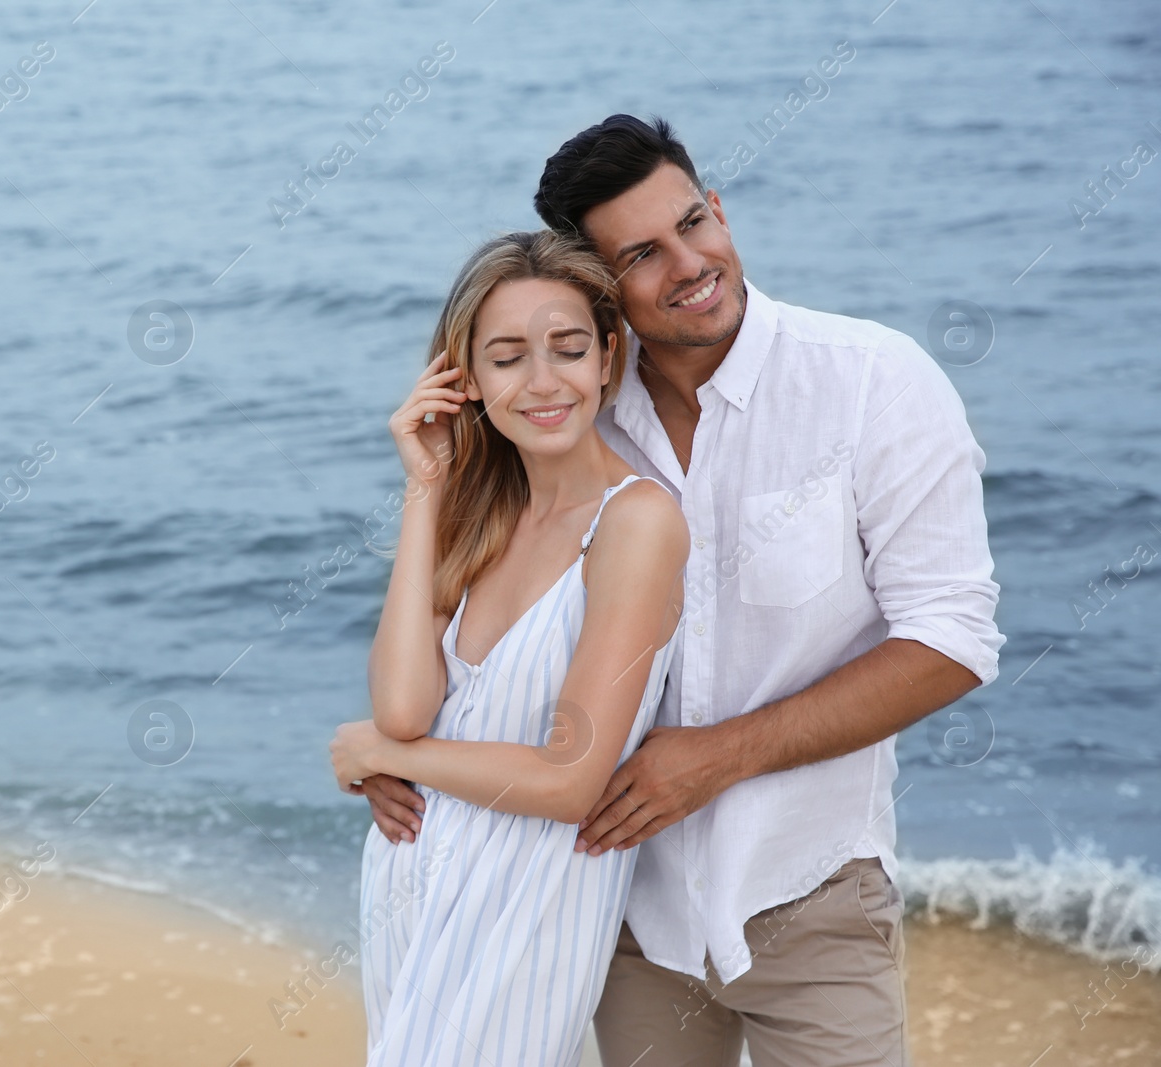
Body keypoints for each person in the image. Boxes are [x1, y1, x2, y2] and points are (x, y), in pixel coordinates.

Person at [359, 115, 1004, 1067]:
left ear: (720, 206)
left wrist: (722, 755)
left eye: (696, 223)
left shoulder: (874, 383)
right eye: (644, 255)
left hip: (807, 889)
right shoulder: (572, 405)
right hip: (616, 903)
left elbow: (954, 636)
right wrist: (408, 757)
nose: (691, 263)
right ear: (603, 289)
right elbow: (487, 614)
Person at [327, 229, 689, 1067]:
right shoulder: (478, 516)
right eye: (506, 358)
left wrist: (378, 751)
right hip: (412, 883)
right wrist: (426, 488)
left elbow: (570, 780)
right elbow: (405, 706)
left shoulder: (635, 523)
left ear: (608, 356)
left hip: (526, 902)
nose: (542, 382)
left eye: (567, 349)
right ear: (467, 379)